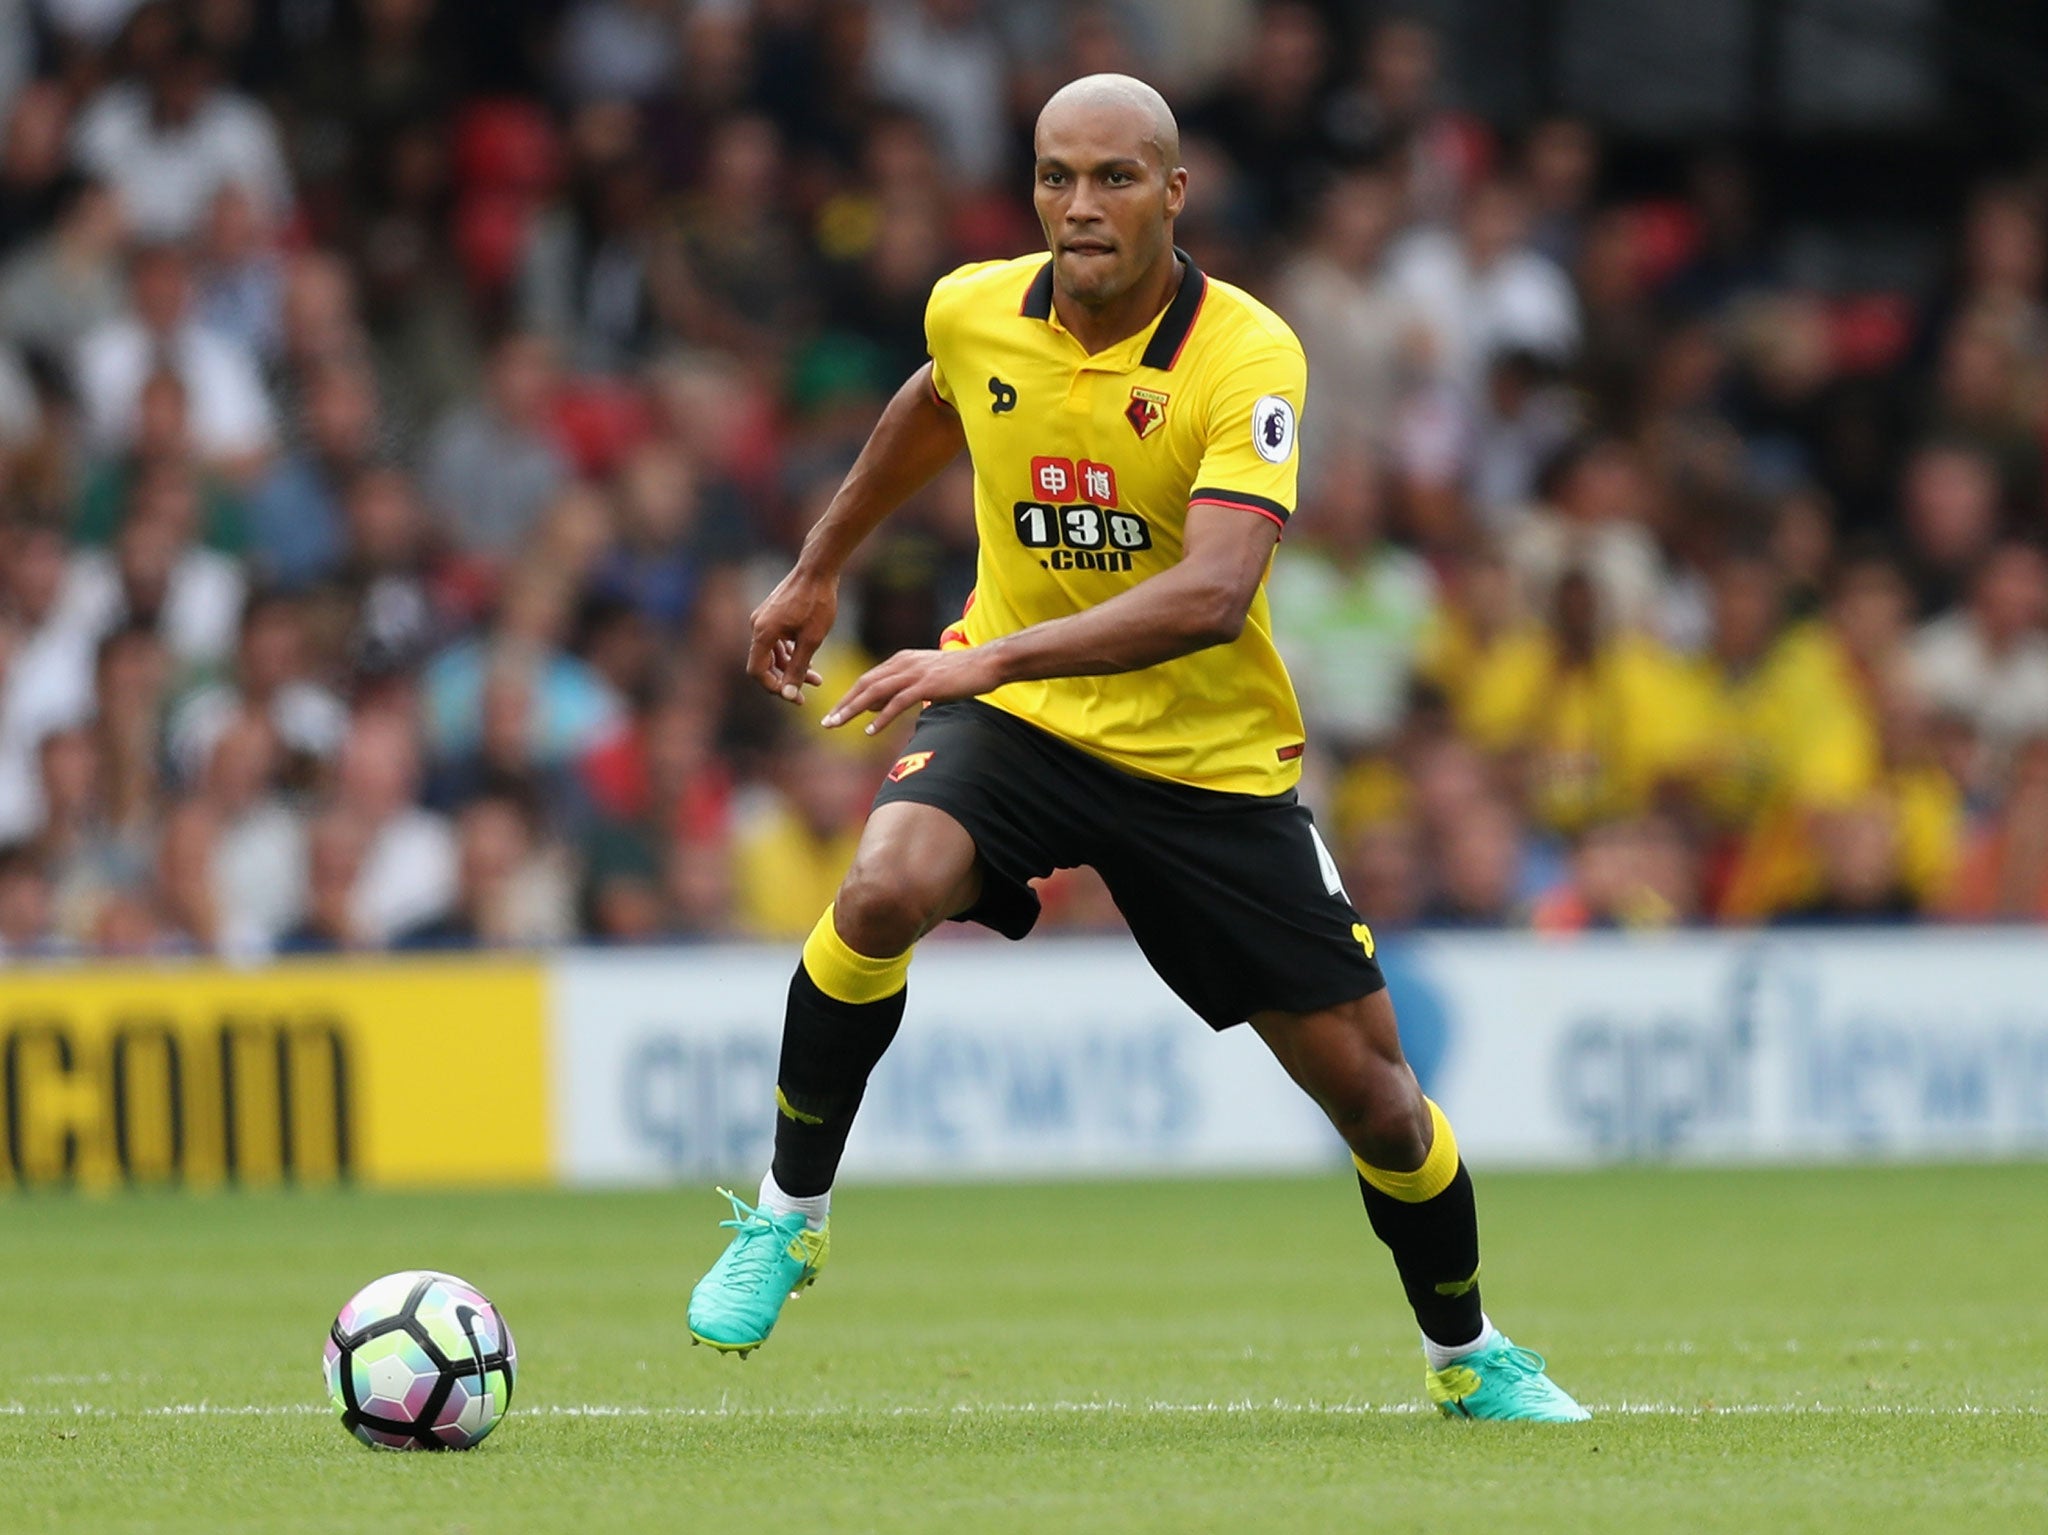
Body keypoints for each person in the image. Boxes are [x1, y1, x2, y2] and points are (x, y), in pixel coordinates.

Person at [686, 73, 1587, 1423]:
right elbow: (938, 401)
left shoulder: (1247, 355)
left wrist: (981, 655)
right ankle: (787, 1215)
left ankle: (1467, 1356)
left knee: (1381, 1103)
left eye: (1114, 177)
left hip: (1206, 765)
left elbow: (1214, 592)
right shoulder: (977, 305)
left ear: (1176, 192)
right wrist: (819, 568)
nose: (1080, 205)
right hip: (1025, 723)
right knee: (878, 889)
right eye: (1056, 176)